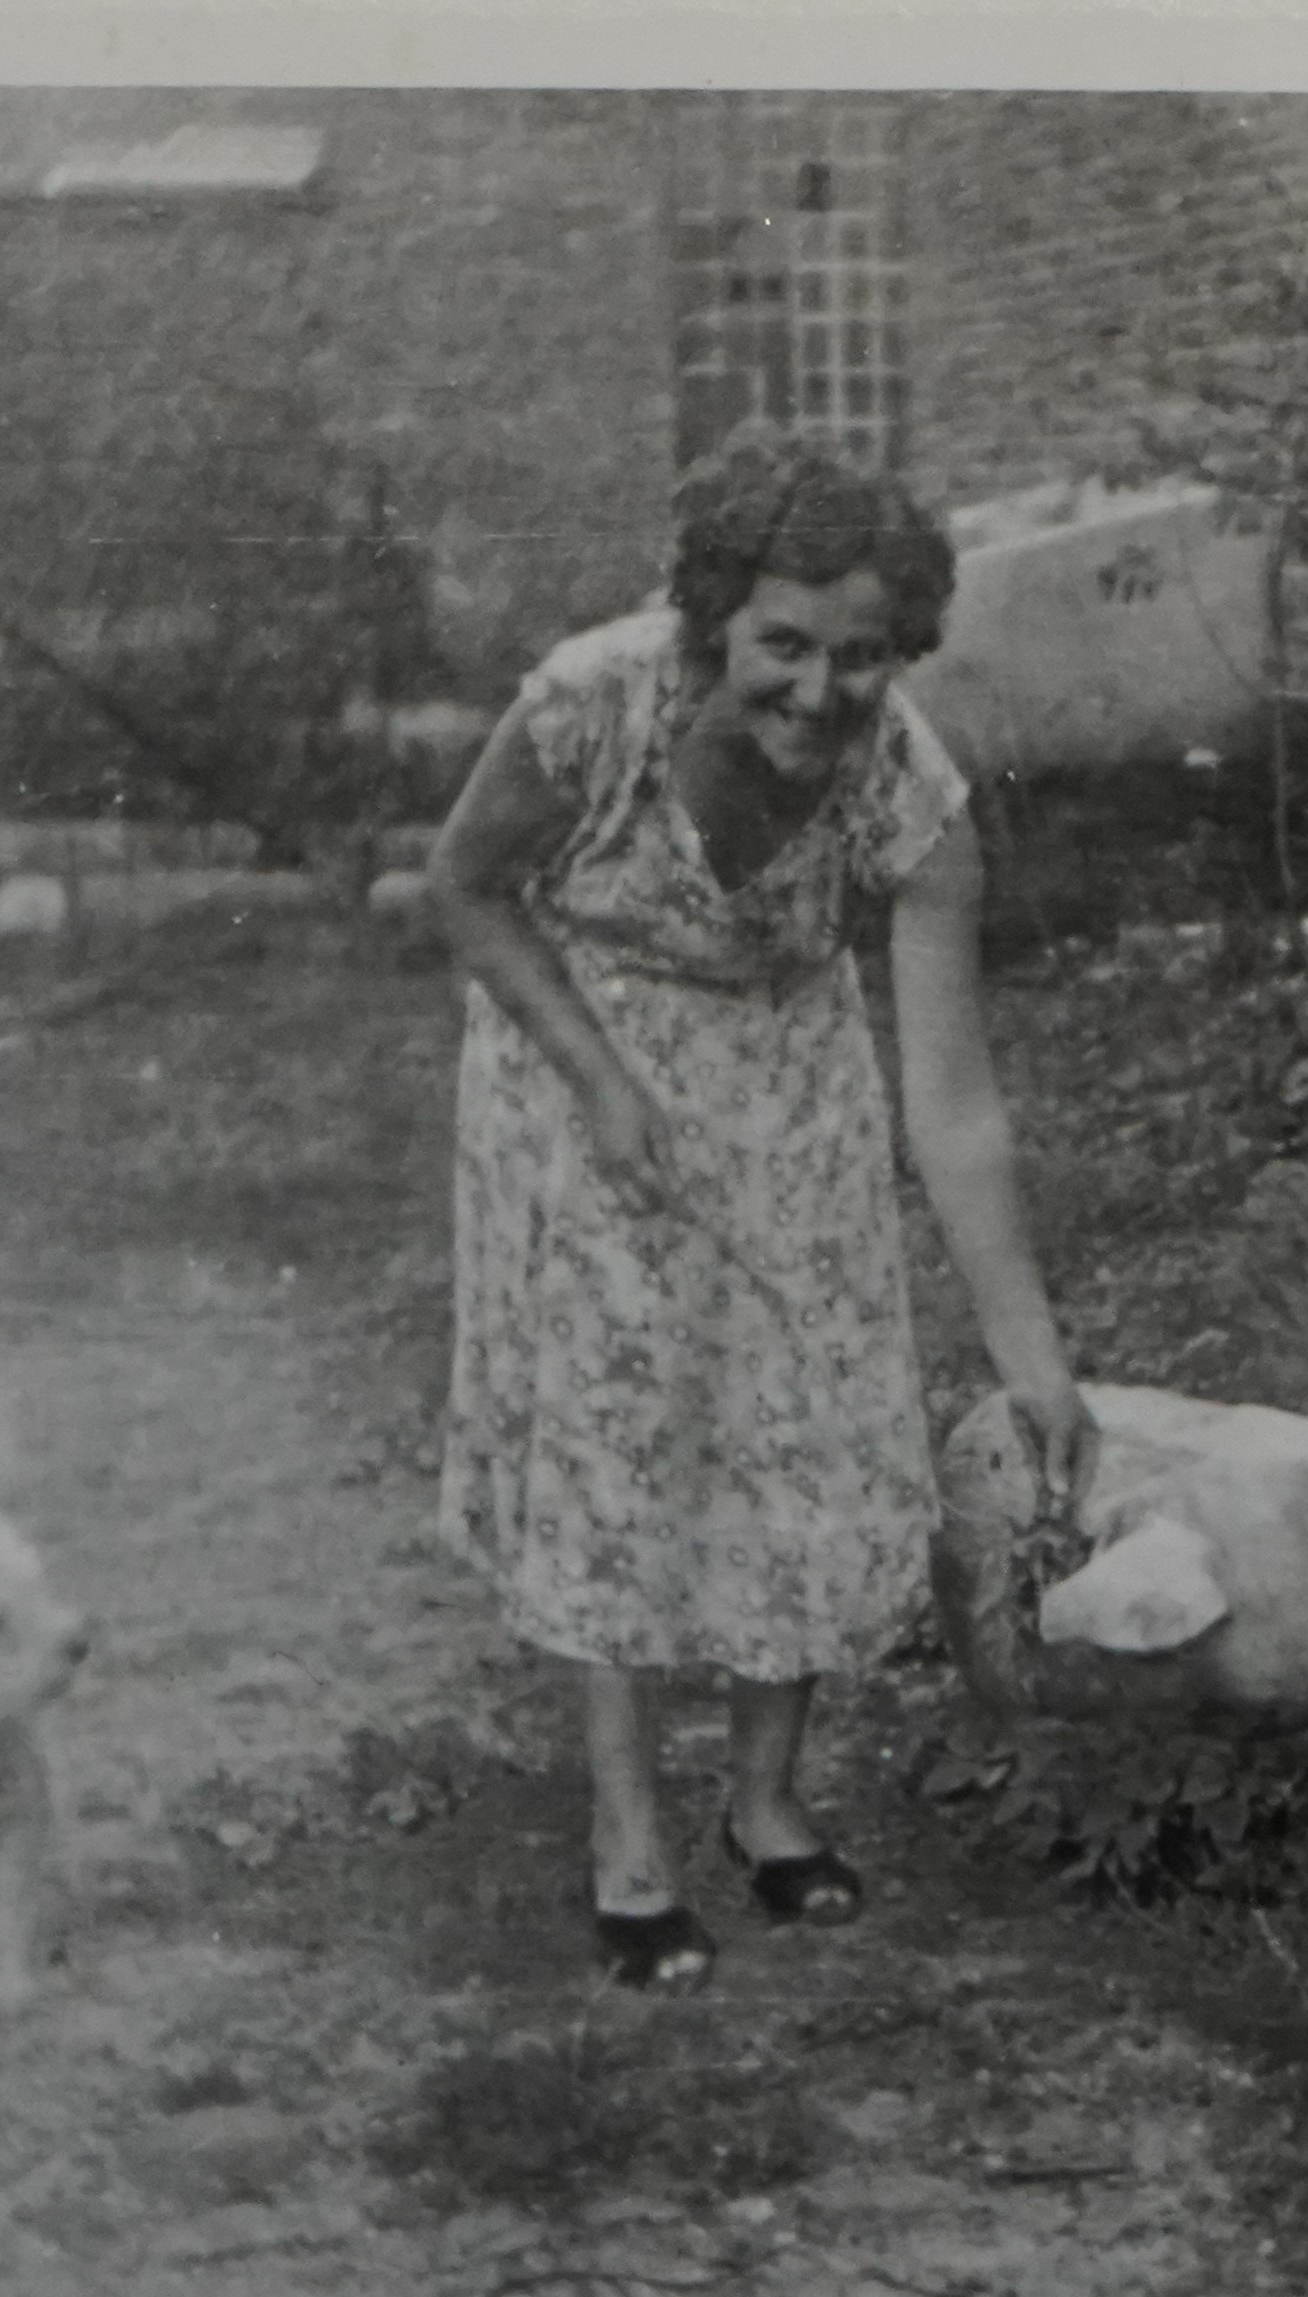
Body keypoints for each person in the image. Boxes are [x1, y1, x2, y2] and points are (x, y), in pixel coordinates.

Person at [429, 433, 1097, 1992]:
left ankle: (765, 1797)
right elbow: (463, 885)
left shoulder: (910, 792)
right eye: (780, 647)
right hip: (584, 1047)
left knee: (801, 1414)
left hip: (788, 1069)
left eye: (858, 659)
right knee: (628, 1426)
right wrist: (595, 1076)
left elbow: (956, 1103)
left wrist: (1031, 1357)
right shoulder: (589, 701)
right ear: (710, 622)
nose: (816, 694)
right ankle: (629, 1834)